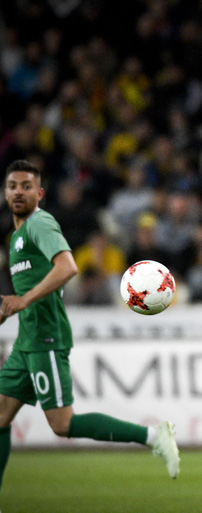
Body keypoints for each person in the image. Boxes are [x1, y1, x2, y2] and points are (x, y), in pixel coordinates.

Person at [0, 160, 180, 492]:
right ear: (5, 193)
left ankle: (154, 436)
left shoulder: (40, 224)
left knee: (62, 423)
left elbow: (68, 267)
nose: (19, 192)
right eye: (13, 186)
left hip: (45, 338)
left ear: (39, 194)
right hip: (27, 339)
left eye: (26, 186)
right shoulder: (15, 238)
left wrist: (23, 301)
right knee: (0, 416)